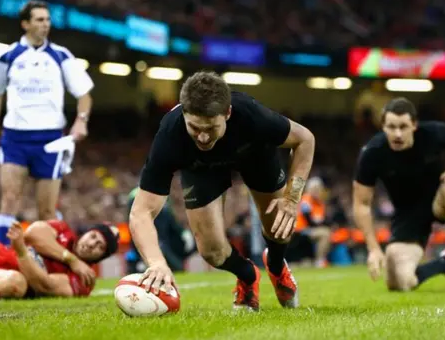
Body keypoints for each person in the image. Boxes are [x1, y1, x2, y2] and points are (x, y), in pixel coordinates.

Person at [130, 71, 315, 311]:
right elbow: (140, 213)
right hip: (202, 168)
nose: (204, 137)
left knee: (279, 226)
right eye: (195, 128)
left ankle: (277, 266)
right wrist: (156, 263)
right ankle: (248, 276)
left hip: (255, 155)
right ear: (184, 114)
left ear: (227, 113)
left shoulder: (252, 115)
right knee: (211, 252)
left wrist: (291, 199)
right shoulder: (170, 135)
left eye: (211, 127)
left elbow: (306, 140)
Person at [0, 0, 95, 245]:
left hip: (50, 140)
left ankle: (55, 259)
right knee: (10, 199)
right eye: (40, 20)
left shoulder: (61, 56)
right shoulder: (8, 56)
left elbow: (84, 94)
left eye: (48, 20)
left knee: (46, 210)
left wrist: (81, 120)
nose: (46, 24)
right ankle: (2, 257)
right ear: (25, 24)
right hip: (14, 137)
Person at [352, 97, 445, 292]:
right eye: (391, 127)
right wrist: (373, 249)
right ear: (383, 126)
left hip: (439, 200)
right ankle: (444, 262)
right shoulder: (372, 153)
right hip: (408, 214)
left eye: (403, 126)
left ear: (414, 124)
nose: (397, 133)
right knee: (399, 283)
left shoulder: (431, 133)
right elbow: (361, 204)